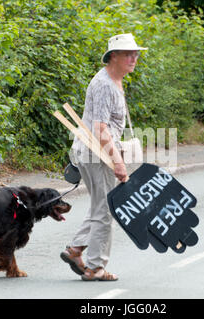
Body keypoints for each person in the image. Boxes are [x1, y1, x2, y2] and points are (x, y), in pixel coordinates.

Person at [60, 33, 147, 281]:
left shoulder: (114, 80)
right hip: (96, 154)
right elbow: (100, 129)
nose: (134, 57)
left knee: (101, 206)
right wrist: (118, 163)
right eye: (128, 53)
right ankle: (96, 267)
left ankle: (76, 249)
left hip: (96, 152)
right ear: (113, 57)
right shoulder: (105, 85)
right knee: (107, 210)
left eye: (136, 53)